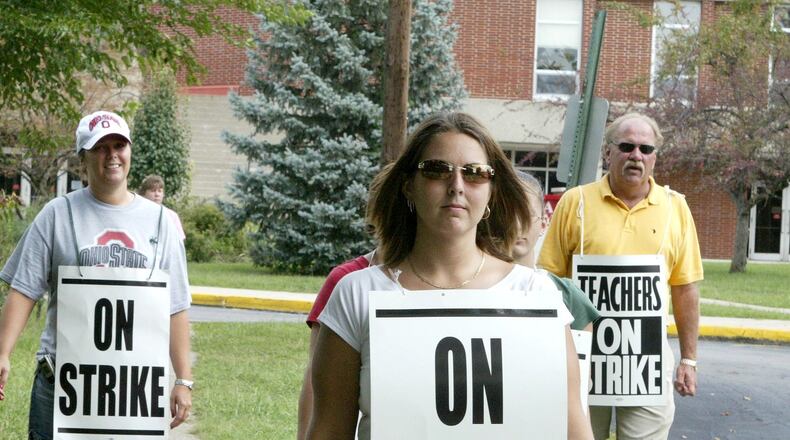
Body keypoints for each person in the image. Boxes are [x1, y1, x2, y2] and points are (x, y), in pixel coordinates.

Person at [306, 112, 593, 440]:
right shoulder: (357, 293)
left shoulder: (536, 294)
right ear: (408, 187)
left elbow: (574, 430)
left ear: (491, 192)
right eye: (437, 170)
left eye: (475, 173)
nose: (456, 186)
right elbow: (328, 430)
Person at [0, 110, 193, 439]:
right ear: (82, 160)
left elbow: (175, 305)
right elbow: (24, 290)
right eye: (100, 148)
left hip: (133, 391)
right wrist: (2, 353)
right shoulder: (56, 215)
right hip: (63, 384)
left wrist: (183, 380)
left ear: (130, 151)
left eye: (119, 145)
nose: (112, 155)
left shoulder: (162, 222)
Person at [538, 113, 703, 440]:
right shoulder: (576, 203)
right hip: (582, 360)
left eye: (645, 148)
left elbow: (685, 290)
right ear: (608, 153)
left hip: (647, 365)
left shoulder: (676, 209)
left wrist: (689, 360)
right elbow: (548, 282)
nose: (636, 155)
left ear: (655, 156)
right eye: (626, 146)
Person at [513, 170, 599, 332]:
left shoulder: (568, 296)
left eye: (528, 215)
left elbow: (581, 355)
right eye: (508, 213)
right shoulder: (476, 288)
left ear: (543, 222)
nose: (518, 224)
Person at [139, 174, 186, 241]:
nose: (157, 194)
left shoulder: (172, 216)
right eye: (153, 191)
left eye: (159, 191)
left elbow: (179, 241)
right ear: (144, 193)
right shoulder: (138, 214)